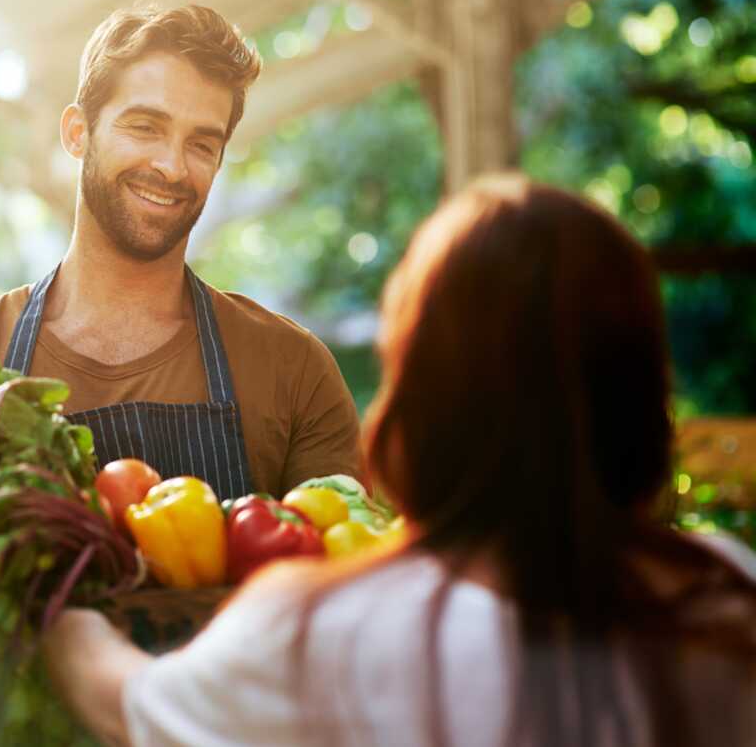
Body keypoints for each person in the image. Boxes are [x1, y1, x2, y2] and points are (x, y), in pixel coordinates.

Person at [43, 175, 756, 747]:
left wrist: (56, 604)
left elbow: (123, 705)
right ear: (641, 392)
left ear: (423, 395)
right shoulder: (726, 598)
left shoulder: (320, 634)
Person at [0, 4, 362, 744]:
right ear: (77, 132)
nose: (172, 167)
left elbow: (352, 594)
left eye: (201, 143)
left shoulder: (290, 365)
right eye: (145, 127)